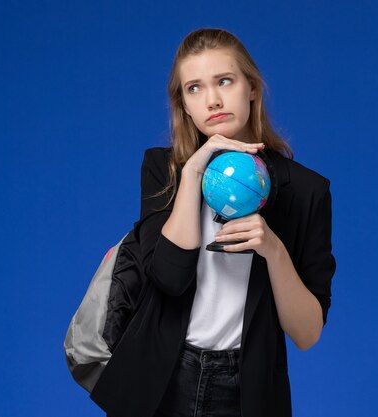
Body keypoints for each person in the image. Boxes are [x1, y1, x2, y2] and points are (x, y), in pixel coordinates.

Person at [90, 28, 336, 417]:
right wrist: (191, 176)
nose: (213, 100)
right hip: (162, 378)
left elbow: (306, 334)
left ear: (252, 89)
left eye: (225, 81)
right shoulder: (164, 171)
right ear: (184, 105)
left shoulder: (305, 191)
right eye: (194, 88)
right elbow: (169, 278)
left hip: (246, 388)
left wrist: (272, 249)